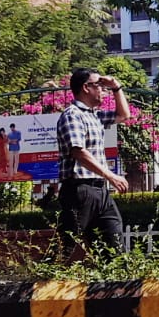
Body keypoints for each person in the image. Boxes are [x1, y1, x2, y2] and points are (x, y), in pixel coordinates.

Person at [57, 67, 132, 254]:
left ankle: (115, 279)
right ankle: (40, 280)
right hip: (78, 190)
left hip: (100, 191)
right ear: (86, 88)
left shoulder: (95, 115)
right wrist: (110, 175)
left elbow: (124, 115)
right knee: (67, 246)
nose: (102, 90)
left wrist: (116, 87)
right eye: (99, 85)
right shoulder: (72, 115)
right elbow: (78, 152)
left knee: (114, 244)